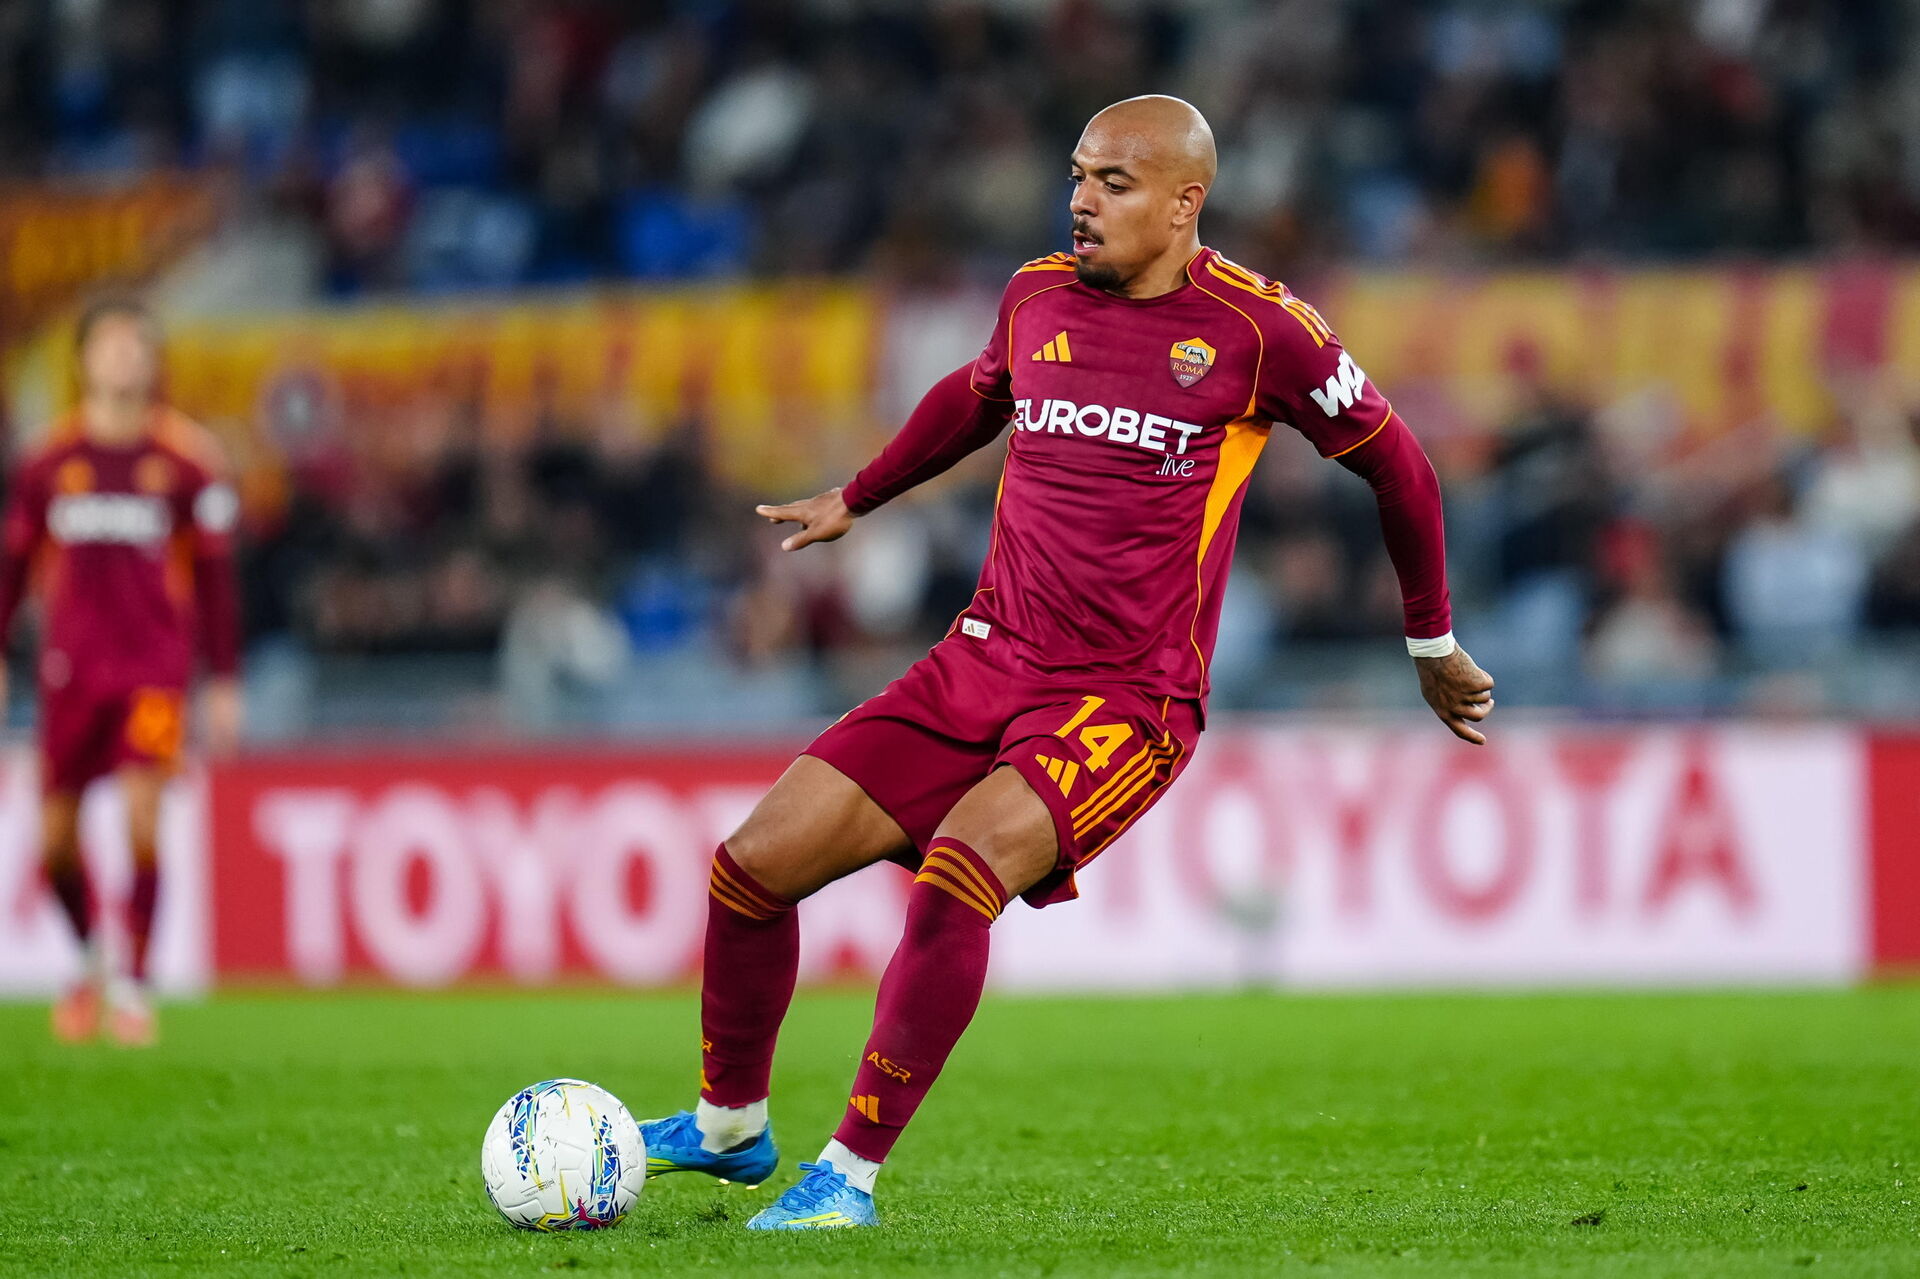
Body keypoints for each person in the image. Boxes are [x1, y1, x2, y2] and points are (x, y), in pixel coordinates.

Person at [639, 96, 1495, 1229]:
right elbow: (974, 397)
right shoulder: (1035, 295)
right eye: (1078, 176)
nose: (1082, 201)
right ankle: (729, 1126)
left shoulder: (1260, 331)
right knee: (751, 867)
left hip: (1126, 696)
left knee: (958, 873)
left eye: (1114, 183)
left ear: (1185, 203)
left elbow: (1402, 467)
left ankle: (847, 1174)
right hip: (983, 656)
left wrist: (1430, 641)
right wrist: (860, 494)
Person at [0, 297, 242, 1046]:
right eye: (110, 345)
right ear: (82, 360)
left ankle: (134, 985)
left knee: (143, 816)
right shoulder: (47, 462)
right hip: (70, 673)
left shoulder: (188, 461)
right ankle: (86, 959)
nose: (124, 358)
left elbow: (216, 580)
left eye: (137, 346)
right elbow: (13, 567)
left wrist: (224, 679)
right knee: (56, 842)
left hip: (153, 672)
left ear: (153, 361)